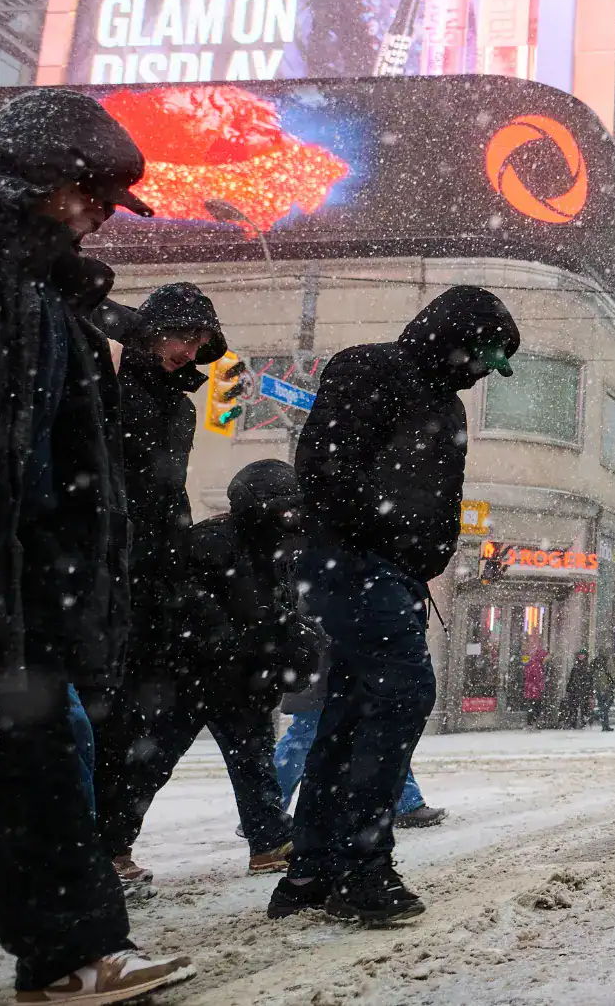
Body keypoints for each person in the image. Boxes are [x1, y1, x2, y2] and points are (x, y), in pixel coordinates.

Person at [0, 87, 197, 1002]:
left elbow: (61, 463)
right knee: (33, 758)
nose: (104, 219)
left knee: (40, 754)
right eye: (96, 197)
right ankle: (70, 953)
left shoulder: (50, 295)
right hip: (3, 580)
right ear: (45, 176)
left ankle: (71, 955)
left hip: (23, 583)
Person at [269, 285, 519, 926]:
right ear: (455, 335)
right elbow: (323, 467)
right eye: (484, 354)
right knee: (404, 692)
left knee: (350, 713)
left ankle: (312, 869)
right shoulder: (371, 368)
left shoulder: (448, 409)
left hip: (394, 574)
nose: (482, 371)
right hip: (351, 561)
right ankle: (361, 865)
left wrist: (425, 557)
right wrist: (392, 537)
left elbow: (442, 497)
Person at [98, 460, 314, 882]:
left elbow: (281, 611)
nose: (289, 520)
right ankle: (109, 847)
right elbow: (185, 603)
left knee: (255, 765)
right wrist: (232, 643)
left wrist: (294, 647)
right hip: (190, 679)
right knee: (150, 763)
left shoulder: (280, 550)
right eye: (282, 510)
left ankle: (269, 841)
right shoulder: (208, 541)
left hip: (244, 680)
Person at [89, 281, 228, 890]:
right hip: (100, 568)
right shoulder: (108, 376)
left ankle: (110, 844)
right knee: (94, 715)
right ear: (154, 328)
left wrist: (179, 567)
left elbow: (168, 495)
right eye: (181, 335)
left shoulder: (179, 406)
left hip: (151, 576)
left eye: (199, 342)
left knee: (135, 721)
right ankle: (86, 850)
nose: (187, 350)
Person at [273, 661, 445, 829]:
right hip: (327, 673)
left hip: (337, 673)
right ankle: (266, 810)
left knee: (376, 734)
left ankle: (406, 801)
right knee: (304, 738)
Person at [561, 649, 593, 729]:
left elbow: (590, 681)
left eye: (582, 655)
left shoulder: (587, 668)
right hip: (575, 690)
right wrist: (568, 689)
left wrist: (590, 692)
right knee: (573, 708)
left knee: (584, 708)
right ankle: (573, 723)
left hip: (583, 691)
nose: (580, 657)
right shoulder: (575, 667)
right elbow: (571, 679)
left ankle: (583, 723)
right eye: (579, 655)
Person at [522, 646, 549, 729]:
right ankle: (532, 724)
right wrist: (541, 688)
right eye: (546, 658)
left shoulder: (532, 663)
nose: (546, 660)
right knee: (535, 707)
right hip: (534, 690)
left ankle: (530, 724)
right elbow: (538, 679)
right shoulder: (537, 665)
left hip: (530, 689)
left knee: (531, 707)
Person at [591, 651, 615, 732]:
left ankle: (605, 725)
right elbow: (611, 674)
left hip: (598, 689)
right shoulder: (606, 665)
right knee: (606, 706)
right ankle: (596, 715)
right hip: (605, 688)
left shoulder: (595, 664)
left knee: (603, 706)